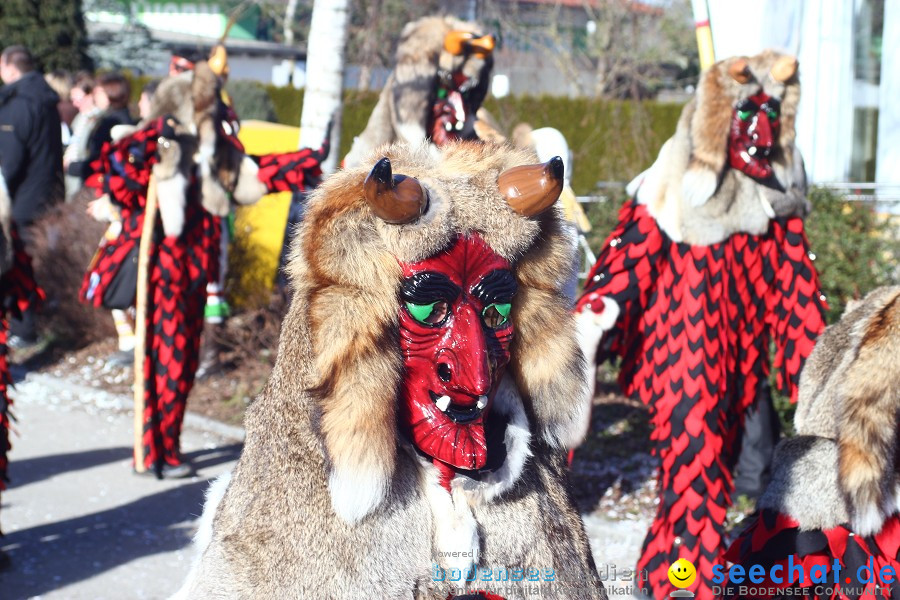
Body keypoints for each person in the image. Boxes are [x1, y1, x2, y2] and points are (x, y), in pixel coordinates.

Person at [574, 51, 827, 600]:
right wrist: (596, 319)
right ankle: (682, 586)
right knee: (697, 468)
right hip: (682, 355)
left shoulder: (772, 194)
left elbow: (796, 287)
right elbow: (628, 258)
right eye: (746, 113)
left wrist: (817, 365)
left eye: (769, 113)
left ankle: (660, 577)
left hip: (738, 365)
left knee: (713, 471)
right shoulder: (674, 182)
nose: (759, 130)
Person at [0, 45, 63, 349]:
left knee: (20, 264)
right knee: (36, 262)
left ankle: (24, 329)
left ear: (9, 67)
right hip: (46, 192)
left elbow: (10, 158)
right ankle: (32, 324)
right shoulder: (45, 98)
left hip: (22, 198)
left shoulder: (19, 103)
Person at [66, 71, 134, 183]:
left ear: (111, 92)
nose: (94, 96)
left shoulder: (113, 122)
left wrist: (73, 167)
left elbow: (102, 161)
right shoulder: (111, 117)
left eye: (98, 92)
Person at [64, 73, 102, 200]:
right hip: (71, 176)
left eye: (78, 99)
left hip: (83, 177)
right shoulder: (80, 117)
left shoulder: (98, 120)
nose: (74, 103)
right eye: (72, 99)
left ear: (90, 95)